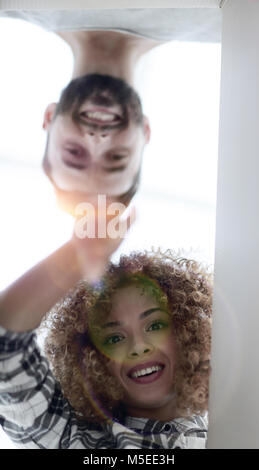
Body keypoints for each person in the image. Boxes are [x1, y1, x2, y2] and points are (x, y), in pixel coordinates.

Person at [0, 215, 212, 448]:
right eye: (114, 338)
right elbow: (6, 346)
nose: (139, 346)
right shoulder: (72, 440)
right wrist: (76, 255)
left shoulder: (238, 425)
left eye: (154, 326)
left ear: (187, 333)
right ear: (94, 362)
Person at [0, 8, 221, 213]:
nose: (98, 140)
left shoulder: (14, 5)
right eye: (116, 156)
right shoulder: (223, 20)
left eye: (74, 152)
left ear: (49, 117)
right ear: (145, 130)